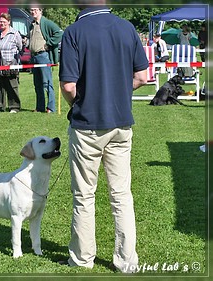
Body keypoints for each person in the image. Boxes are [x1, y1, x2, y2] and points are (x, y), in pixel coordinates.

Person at [59, 6, 148, 272]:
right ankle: (126, 260)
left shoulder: (73, 32)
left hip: (87, 124)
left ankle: (82, 259)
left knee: (84, 196)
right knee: (121, 195)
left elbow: (68, 86)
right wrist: (119, 90)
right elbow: (142, 76)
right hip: (121, 123)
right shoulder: (127, 28)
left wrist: (80, 103)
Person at [29, 6, 63, 113]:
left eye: (35, 9)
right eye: (31, 10)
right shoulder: (32, 25)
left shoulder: (46, 23)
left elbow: (60, 33)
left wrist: (48, 44)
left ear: (40, 10)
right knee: (37, 84)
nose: (33, 12)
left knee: (47, 83)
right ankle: (40, 107)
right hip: (34, 57)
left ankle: (51, 108)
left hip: (43, 56)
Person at [0, 13, 23, 113]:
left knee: (11, 87)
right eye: (0, 21)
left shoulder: (15, 33)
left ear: (9, 22)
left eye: (4, 21)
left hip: (10, 65)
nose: (2, 23)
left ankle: (14, 106)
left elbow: (20, 47)